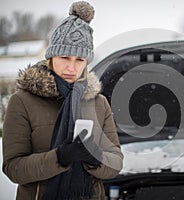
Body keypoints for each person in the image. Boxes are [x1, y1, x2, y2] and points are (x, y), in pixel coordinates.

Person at [2, 1, 123, 200]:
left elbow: (116, 162)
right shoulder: (22, 101)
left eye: (79, 60)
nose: (71, 68)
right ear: (51, 57)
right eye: (65, 58)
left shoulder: (98, 103)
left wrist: (95, 160)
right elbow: (14, 168)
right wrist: (59, 157)